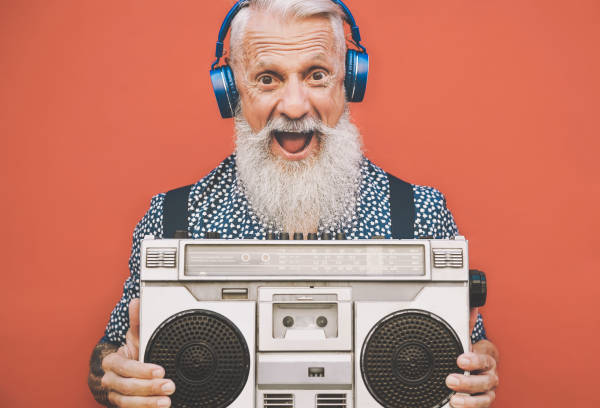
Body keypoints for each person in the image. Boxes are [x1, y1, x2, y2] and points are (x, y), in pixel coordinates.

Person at [88, 1, 499, 407]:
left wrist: (479, 362)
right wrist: (115, 377)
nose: (295, 106)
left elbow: (468, 342)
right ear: (232, 91)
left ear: (348, 82)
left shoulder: (420, 213)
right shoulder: (171, 217)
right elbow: (111, 354)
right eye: (267, 79)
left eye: (316, 75)